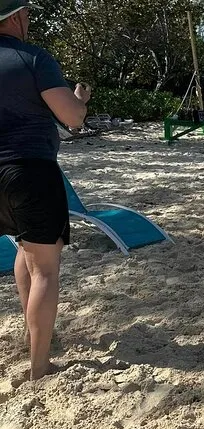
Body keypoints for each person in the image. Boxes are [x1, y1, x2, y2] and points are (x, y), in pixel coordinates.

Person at [0, 0, 91, 380]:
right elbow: (72, 117)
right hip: (30, 169)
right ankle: (40, 366)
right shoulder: (33, 58)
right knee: (45, 270)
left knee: (24, 249)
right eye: (27, 13)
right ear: (15, 17)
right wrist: (80, 100)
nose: (30, 19)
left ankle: (31, 332)